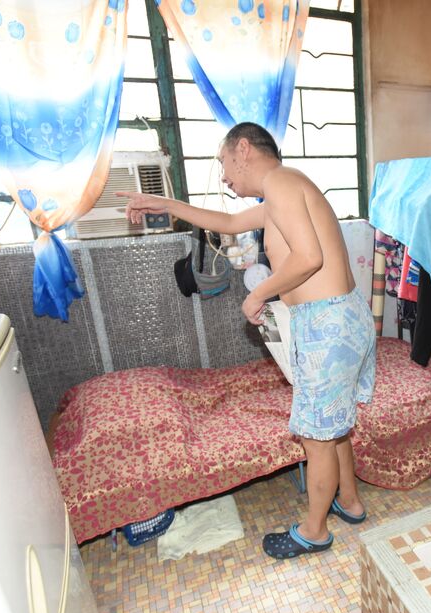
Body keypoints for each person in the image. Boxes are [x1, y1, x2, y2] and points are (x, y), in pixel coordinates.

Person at [117, 122, 375, 559]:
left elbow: (308, 257)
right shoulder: (283, 190)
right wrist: (164, 203)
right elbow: (230, 222)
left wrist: (258, 294)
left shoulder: (281, 183)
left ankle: (314, 532)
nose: (223, 176)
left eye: (223, 162)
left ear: (243, 149)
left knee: (316, 435)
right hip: (340, 317)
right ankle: (349, 501)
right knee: (333, 425)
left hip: (327, 324)